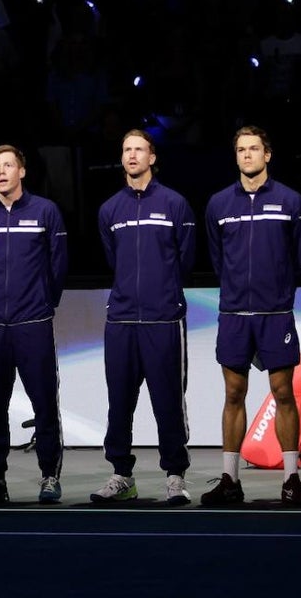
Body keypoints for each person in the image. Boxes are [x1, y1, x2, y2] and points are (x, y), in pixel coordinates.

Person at [201, 126, 301, 507]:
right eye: (240, 150)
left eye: (254, 149)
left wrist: (277, 290)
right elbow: (218, 258)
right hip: (234, 314)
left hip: (275, 314)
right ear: (235, 157)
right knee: (234, 394)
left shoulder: (291, 201)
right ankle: (230, 480)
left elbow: (297, 258)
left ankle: (291, 481)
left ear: (268, 155)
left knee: (284, 394)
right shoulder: (218, 204)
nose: (247, 155)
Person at [91, 130, 196, 505]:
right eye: (126, 150)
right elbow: (112, 259)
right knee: (119, 401)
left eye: (139, 149)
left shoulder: (175, 205)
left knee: (168, 401)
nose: (132, 155)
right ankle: (122, 475)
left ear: (152, 157)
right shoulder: (109, 210)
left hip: (163, 319)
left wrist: (162, 295)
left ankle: (175, 476)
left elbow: (185, 259)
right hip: (120, 320)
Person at [0, 145, 68, 504]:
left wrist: (41, 303)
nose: (2, 171)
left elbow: (57, 266)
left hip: (33, 323)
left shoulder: (45, 211)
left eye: (9, 165)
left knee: (44, 404)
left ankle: (49, 477)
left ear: (22, 172)